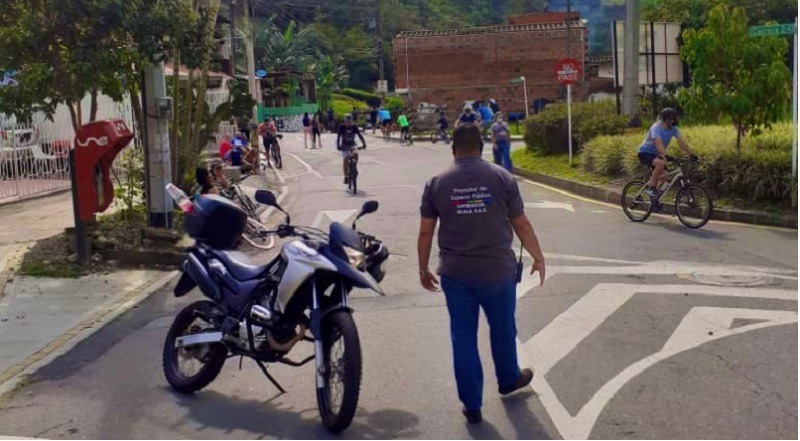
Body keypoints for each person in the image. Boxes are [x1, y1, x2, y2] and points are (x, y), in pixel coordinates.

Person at [417, 124, 545, 424]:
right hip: (497, 272)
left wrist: (422, 269)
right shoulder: (502, 177)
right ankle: (508, 378)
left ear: (453, 149)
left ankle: (472, 405)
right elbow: (521, 223)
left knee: (462, 337)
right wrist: (538, 257)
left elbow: (425, 232)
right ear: (483, 146)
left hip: (456, 274)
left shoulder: (436, 182)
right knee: (502, 328)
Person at [638, 108, 696, 198]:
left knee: (666, 178)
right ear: (665, 119)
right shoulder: (656, 127)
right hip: (645, 152)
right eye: (671, 118)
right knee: (660, 163)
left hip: (656, 154)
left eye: (674, 118)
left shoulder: (673, 128)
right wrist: (666, 155)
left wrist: (691, 154)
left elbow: (681, 142)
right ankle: (652, 188)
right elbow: (658, 144)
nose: (674, 120)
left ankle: (656, 197)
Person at [337, 114, 367, 185]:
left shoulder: (354, 127)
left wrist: (364, 143)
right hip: (344, 145)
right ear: (345, 121)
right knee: (345, 159)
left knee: (356, 154)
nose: (349, 123)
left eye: (350, 122)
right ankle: (346, 176)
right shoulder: (341, 127)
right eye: (347, 122)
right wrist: (338, 145)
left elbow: (360, 135)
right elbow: (338, 137)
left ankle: (354, 167)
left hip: (352, 144)